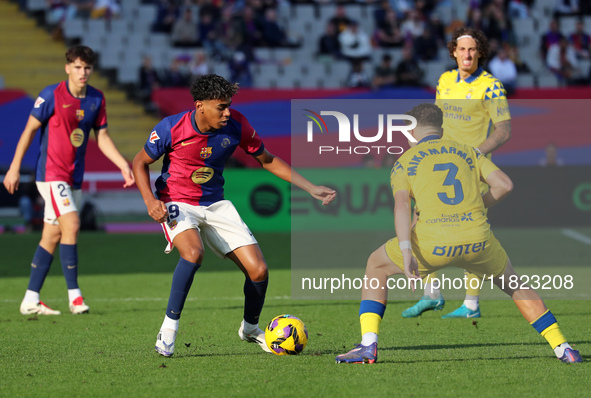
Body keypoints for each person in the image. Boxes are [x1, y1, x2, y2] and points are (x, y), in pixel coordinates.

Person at [335, 103, 582, 364]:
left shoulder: (404, 162)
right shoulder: (468, 152)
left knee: (376, 265)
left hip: (432, 244)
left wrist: (407, 252)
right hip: (478, 239)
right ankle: (562, 347)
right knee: (515, 285)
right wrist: (476, 206)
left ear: (411, 131)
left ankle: (367, 346)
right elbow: (505, 185)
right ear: (441, 129)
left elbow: (402, 205)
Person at [131, 74, 336, 357]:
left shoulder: (237, 124)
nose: (227, 113)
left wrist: (310, 187)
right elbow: (140, 161)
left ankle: (251, 329)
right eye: (221, 107)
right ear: (200, 105)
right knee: (192, 253)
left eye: (228, 106)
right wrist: (149, 200)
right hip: (176, 200)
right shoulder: (171, 127)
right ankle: (168, 330)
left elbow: (267, 159)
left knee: (259, 271)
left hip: (216, 204)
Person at [3, 45, 135, 316]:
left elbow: (103, 138)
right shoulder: (51, 94)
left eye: (87, 67)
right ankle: (75, 297)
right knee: (72, 224)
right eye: (77, 66)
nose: (82, 72)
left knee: (51, 235)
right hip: (51, 175)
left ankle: (30, 300)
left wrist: (123, 164)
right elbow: (29, 131)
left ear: (92, 70)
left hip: (74, 177)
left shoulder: (96, 98)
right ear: (67, 68)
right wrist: (15, 167)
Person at [402, 27, 512, 319]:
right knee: (420, 221)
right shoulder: (444, 80)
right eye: (462, 49)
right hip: (438, 162)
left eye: (472, 49)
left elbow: (503, 130)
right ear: (453, 51)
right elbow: (433, 122)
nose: (467, 54)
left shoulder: (491, 86)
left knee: (470, 230)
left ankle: (471, 304)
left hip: (471, 169)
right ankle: (432, 295)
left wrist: (476, 152)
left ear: (480, 53)